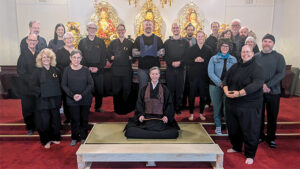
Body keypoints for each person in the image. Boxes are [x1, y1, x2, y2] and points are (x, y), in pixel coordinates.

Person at [223, 45, 264, 164]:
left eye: (248, 51)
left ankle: (250, 154)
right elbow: (226, 79)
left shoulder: (257, 68)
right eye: (243, 52)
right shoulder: (235, 66)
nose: (245, 54)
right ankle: (236, 147)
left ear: (252, 53)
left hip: (248, 105)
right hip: (232, 102)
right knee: (233, 128)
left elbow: (256, 84)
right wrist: (226, 91)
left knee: (249, 129)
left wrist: (240, 93)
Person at [124, 67, 179, 139]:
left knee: (173, 132)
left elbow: (169, 104)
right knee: (130, 131)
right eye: (152, 74)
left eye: (156, 74)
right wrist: (141, 115)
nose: (154, 76)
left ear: (159, 75)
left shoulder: (165, 89)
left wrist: (166, 116)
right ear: (150, 75)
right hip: (146, 118)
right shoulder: (143, 89)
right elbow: (139, 103)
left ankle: (148, 133)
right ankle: (156, 133)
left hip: (160, 118)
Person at [255, 34, 286, 148]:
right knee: (259, 116)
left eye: (269, 41)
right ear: (262, 43)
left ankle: (271, 137)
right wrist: (261, 85)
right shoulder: (256, 56)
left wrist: (267, 85)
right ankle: (260, 135)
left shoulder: (279, 57)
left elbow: (281, 73)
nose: (267, 43)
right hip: (259, 91)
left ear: (273, 44)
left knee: (272, 116)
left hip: (274, 91)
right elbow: (254, 73)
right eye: (265, 41)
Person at [61, 49, 94, 146]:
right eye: (74, 57)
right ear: (70, 58)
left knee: (84, 119)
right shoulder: (66, 70)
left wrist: (82, 95)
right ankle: (75, 137)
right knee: (74, 119)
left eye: (78, 57)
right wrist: (72, 95)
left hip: (85, 99)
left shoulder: (85, 70)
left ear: (81, 58)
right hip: (72, 100)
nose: (76, 59)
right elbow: (64, 85)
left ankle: (84, 136)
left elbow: (91, 84)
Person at [31, 48, 62, 149]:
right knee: (45, 121)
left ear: (51, 58)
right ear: (40, 59)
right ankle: (46, 140)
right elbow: (32, 86)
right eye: (44, 57)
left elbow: (60, 85)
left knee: (56, 119)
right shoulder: (36, 72)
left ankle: (55, 137)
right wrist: (42, 92)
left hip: (54, 100)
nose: (46, 59)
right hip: (42, 101)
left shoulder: (56, 70)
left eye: (48, 57)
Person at [208, 38, 237, 135]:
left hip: (229, 87)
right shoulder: (213, 58)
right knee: (217, 107)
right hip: (215, 86)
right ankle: (218, 126)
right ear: (220, 47)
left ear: (229, 47)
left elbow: (235, 73)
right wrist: (220, 83)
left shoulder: (233, 59)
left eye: (227, 46)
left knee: (227, 108)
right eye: (223, 46)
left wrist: (226, 84)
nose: (225, 48)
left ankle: (229, 126)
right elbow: (210, 73)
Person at [78, 22, 107, 113]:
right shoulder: (82, 42)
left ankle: (98, 107)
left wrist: (98, 68)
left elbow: (103, 56)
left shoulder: (101, 41)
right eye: (90, 28)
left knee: (99, 90)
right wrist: (88, 68)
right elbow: (80, 57)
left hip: (99, 70)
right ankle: (87, 107)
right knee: (87, 90)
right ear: (87, 29)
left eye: (94, 28)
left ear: (96, 30)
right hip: (86, 70)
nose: (92, 30)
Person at [186, 31, 212, 121]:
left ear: (204, 38)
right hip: (193, 75)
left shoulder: (208, 49)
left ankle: (201, 113)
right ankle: (191, 113)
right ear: (196, 37)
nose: (200, 38)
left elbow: (211, 62)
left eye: (202, 37)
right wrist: (195, 60)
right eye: (199, 36)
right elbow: (186, 61)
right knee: (192, 95)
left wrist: (204, 60)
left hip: (204, 76)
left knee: (203, 95)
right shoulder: (191, 49)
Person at [107, 24, 133, 114]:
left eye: (122, 30)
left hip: (126, 70)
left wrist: (117, 57)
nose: (121, 31)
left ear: (125, 31)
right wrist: (124, 57)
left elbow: (132, 56)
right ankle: (117, 109)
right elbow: (109, 55)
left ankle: (126, 109)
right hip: (116, 71)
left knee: (126, 89)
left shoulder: (130, 43)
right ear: (116, 31)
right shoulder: (113, 43)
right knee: (116, 90)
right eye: (119, 30)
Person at [164, 22, 189, 115]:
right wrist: (171, 62)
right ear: (171, 29)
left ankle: (178, 107)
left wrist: (180, 62)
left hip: (181, 69)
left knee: (180, 89)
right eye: (174, 28)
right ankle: (170, 107)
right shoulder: (167, 42)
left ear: (180, 28)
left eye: (177, 27)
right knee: (170, 89)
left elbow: (187, 56)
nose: (175, 29)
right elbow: (165, 56)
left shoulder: (185, 42)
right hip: (170, 69)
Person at [17, 33, 40, 135]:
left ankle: (37, 125)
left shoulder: (39, 54)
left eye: (34, 40)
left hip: (38, 87)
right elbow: (21, 73)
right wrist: (33, 83)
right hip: (26, 87)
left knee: (37, 107)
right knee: (28, 107)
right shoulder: (22, 56)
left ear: (37, 42)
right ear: (27, 41)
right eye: (30, 40)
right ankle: (30, 127)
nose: (32, 42)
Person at [132, 20, 164, 89]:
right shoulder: (138, 39)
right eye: (146, 25)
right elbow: (134, 53)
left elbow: (162, 53)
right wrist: (153, 52)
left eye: (150, 24)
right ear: (143, 27)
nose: (148, 26)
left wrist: (143, 52)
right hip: (142, 69)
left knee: (155, 88)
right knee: (143, 88)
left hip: (155, 69)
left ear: (152, 27)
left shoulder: (158, 39)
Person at [56, 32, 75, 124]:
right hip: (64, 78)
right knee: (66, 98)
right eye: (67, 39)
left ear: (73, 39)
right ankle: (68, 118)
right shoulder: (59, 51)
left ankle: (76, 116)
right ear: (64, 40)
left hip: (76, 78)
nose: (69, 40)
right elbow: (57, 66)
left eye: (71, 38)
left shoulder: (77, 51)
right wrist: (68, 67)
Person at [182, 23, 196, 109]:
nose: (190, 31)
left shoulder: (196, 40)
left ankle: (191, 104)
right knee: (184, 86)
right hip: (184, 66)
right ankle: (183, 104)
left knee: (191, 87)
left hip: (193, 66)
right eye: (188, 29)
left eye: (191, 29)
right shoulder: (182, 40)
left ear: (193, 30)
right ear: (186, 30)